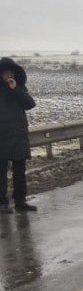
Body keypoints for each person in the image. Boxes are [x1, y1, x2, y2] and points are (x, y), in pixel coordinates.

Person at [0, 58, 37, 212]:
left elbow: (30, 104)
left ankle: (20, 203)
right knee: (0, 172)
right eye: (6, 73)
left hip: (18, 135)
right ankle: (1, 203)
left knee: (19, 172)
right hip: (1, 135)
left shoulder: (20, 88)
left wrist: (15, 90)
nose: (9, 75)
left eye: (11, 72)